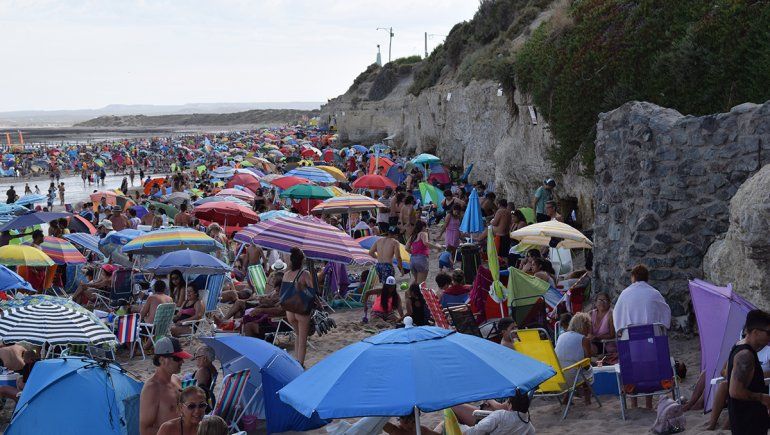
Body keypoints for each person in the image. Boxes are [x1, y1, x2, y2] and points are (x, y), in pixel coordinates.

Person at [726, 309, 770, 434]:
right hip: (748, 422)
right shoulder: (746, 355)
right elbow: (735, 391)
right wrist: (763, 398)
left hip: (745, 420)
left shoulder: (740, 346)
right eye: (768, 333)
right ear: (755, 332)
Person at [139, 337, 192, 435]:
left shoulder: (176, 380)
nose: (182, 362)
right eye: (177, 358)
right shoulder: (152, 389)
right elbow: (145, 430)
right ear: (162, 360)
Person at [280, 247, 314, 366]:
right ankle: (300, 365)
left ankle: (296, 362)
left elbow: (283, 293)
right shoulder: (304, 274)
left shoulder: (286, 274)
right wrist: (302, 289)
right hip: (301, 309)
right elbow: (311, 293)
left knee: (298, 336)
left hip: (290, 310)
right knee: (303, 340)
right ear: (302, 260)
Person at [613, 264, 671, 331]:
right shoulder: (655, 293)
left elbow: (617, 313)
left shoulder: (625, 293)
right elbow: (666, 311)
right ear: (647, 278)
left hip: (629, 334)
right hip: (652, 334)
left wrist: (619, 329)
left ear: (633, 277)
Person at [554, 312, 593, 405]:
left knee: (570, 366)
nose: (590, 329)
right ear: (584, 326)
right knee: (587, 371)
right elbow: (587, 363)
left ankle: (566, 399)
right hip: (572, 378)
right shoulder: (584, 339)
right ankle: (587, 400)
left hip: (557, 378)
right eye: (588, 326)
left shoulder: (561, 336)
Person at [406, 220, 443, 286]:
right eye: (426, 227)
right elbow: (425, 243)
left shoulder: (413, 236)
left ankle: (408, 294)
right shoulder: (423, 233)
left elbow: (406, 248)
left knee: (416, 281)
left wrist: (413, 252)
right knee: (421, 284)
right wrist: (437, 247)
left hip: (412, 259)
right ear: (423, 227)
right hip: (421, 259)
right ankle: (414, 295)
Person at [191, 345, 218, 410]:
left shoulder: (202, 371)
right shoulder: (213, 369)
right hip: (207, 402)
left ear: (204, 358)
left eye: (197, 357)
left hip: (199, 406)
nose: (196, 360)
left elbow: (194, 392)